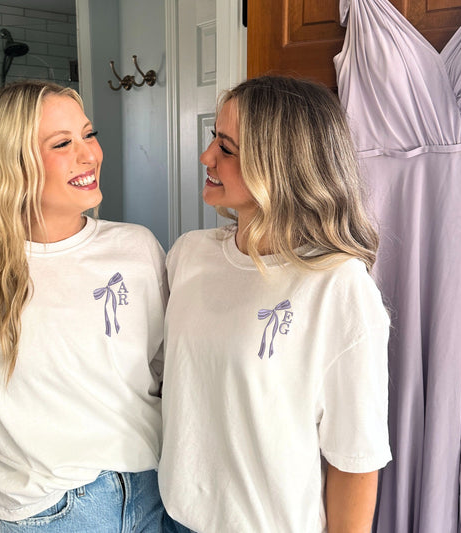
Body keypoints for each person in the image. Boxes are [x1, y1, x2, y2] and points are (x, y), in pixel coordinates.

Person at [158, 76, 392, 532]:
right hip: (172, 515)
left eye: (227, 148)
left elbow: (355, 459)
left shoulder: (338, 286)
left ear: (279, 167)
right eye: (213, 139)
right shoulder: (188, 254)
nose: (207, 157)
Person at [0, 80, 168, 532]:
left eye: (89, 134)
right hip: (48, 515)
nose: (89, 155)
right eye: (63, 143)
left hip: (152, 495)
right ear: (13, 162)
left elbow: (165, 375)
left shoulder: (137, 248)